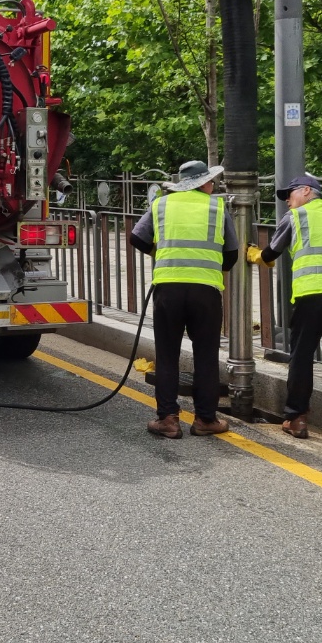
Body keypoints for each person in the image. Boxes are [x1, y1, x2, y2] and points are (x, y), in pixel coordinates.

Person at [247, 172, 322, 447]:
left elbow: (271, 252)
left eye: (289, 195)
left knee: (301, 356)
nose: (287, 202)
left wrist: (254, 255)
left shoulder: (297, 218)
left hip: (312, 293)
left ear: (306, 191)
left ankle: (296, 418)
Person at [129, 159, 238, 439]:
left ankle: (167, 419)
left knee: (167, 356)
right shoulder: (217, 207)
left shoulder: (162, 204)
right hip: (206, 291)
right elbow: (232, 254)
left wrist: (162, 249)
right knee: (206, 356)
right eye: (211, 181)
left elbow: (137, 238)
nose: (213, 185)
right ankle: (205, 419)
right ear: (204, 183)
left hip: (168, 288)